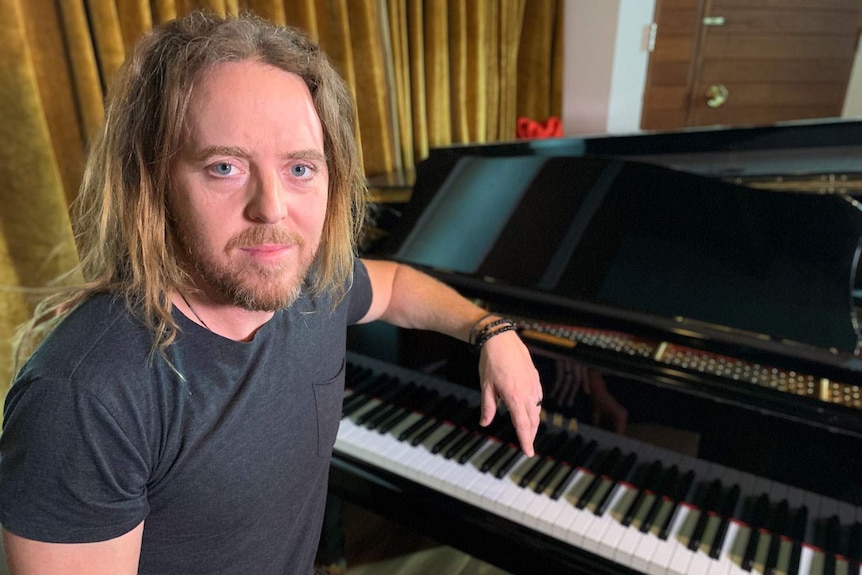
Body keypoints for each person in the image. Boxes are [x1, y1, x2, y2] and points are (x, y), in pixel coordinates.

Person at [0, 10, 542, 575]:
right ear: (154, 184)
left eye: (300, 168)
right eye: (225, 166)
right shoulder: (85, 397)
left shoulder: (312, 283)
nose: (273, 208)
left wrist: (491, 332)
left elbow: (398, 284)